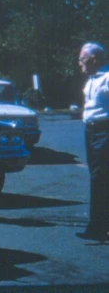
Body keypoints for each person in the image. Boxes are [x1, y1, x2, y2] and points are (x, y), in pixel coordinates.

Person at [76, 42, 109, 242]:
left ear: (94, 59)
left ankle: (97, 227)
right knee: (97, 177)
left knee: (99, 178)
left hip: (105, 131)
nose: (79, 63)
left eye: (82, 59)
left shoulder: (107, 78)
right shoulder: (90, 80)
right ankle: (100, 225)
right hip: (91, 131)